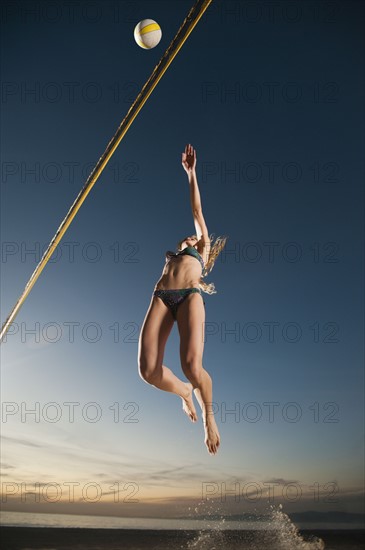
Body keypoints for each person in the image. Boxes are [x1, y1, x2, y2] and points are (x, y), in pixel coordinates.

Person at [138, 144, 227, 455]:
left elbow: (197, 211)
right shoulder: (174, 255)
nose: (189, 237)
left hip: (189, 295)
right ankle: (184, 393)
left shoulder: (201, 249)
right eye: (187, 238)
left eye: (193, 237)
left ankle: (208, 417)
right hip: (162, 295)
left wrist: (191, 174)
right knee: (148, 371)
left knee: (191, 364)